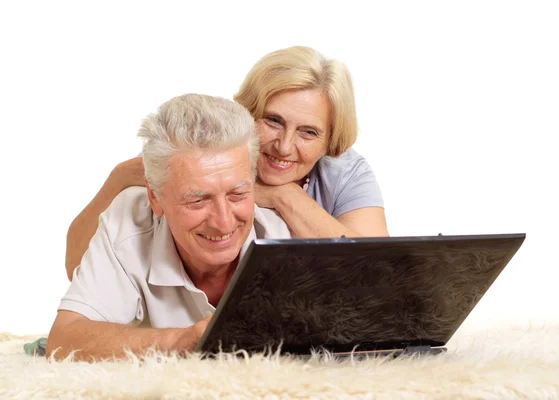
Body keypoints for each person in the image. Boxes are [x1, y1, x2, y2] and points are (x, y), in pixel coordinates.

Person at [64, 46, 389, 282]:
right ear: (247, 113)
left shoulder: (347, 173)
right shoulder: (203, 156)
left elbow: (381, 275)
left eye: (308, 132)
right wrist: (120, 177)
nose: (285, 146)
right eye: (273, 121)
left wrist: (286, 197)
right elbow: (77, 268)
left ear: (331, 140)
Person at [46, 94, 291, 361]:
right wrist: (182, 339)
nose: (223, 222)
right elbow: (64, 339)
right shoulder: (127, 222)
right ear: (155, 198)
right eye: (197, 200)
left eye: (238, 194)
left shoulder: (284, 227)